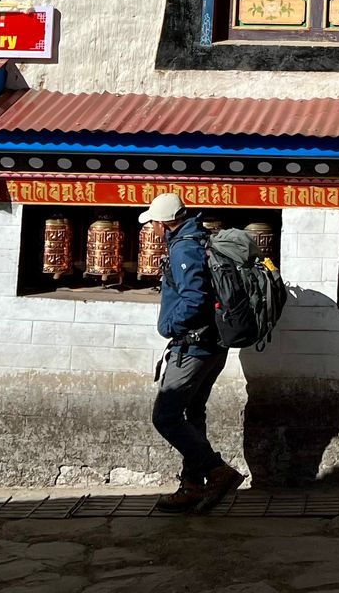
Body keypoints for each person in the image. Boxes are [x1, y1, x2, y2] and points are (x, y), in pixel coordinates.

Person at [144, 192, 245, 513]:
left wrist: (169, 326)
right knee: (192, 413)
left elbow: (194, 298)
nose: (152, 229)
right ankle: (192, 485)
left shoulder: (184, 248)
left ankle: (217, 471)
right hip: (213, 344)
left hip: (193, 347)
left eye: (153, 223)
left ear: (163, 223)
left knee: (166, 416)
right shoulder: (201, 239)